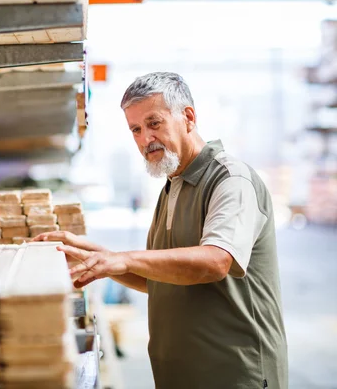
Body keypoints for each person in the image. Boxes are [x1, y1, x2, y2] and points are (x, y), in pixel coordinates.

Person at [33, 72, 288, 388]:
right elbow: (160, 279)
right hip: (180, 374)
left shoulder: (230, 180)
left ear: (188, 118)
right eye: (136, 129)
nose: (145, 139)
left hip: (232, 374)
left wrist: (123, 260)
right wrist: (98, 258)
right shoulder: (171, 186)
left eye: (154, 124)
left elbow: (216, 261)